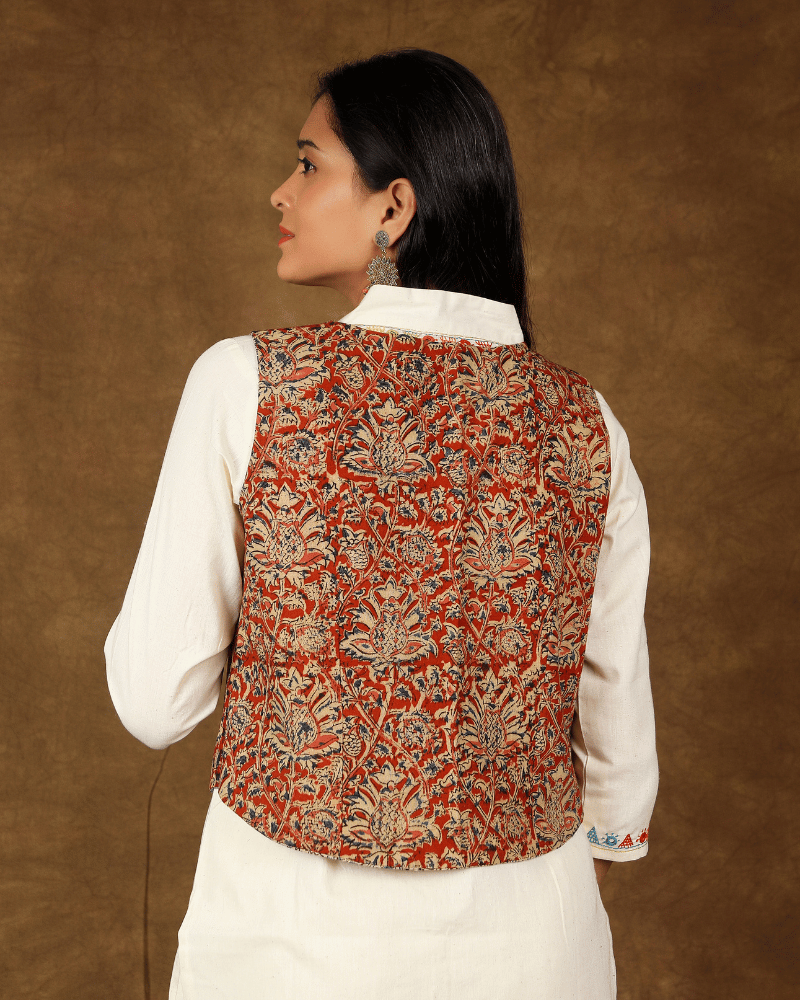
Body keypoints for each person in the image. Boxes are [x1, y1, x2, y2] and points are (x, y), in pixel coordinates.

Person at [105, 48, 658, 1000]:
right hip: (539, 944)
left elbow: (155, 701)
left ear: (393, 207)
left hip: (290, 946)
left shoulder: (245, 385)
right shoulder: (586, 422)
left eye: (308, 164)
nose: (281, 192)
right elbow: (616, 738)